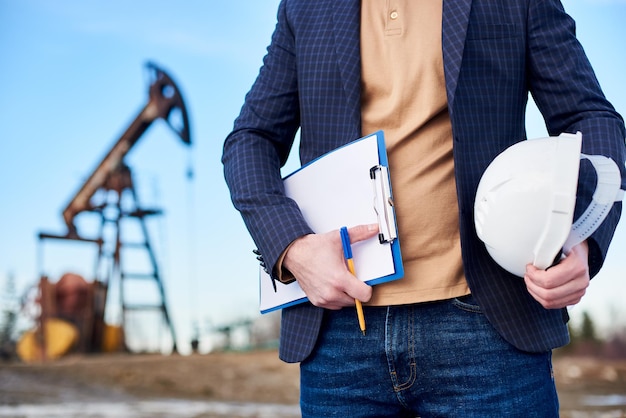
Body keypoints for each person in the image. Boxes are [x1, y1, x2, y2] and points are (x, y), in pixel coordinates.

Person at [222, 1, 626, 416]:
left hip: (488, 327)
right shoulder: (304, 8)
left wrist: (582, 236)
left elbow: (589, 115)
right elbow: (250, 139)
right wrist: (291, 246)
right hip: (340, 333)